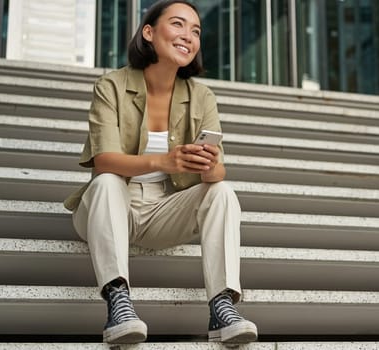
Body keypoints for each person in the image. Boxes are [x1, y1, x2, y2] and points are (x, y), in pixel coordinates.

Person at [63, 0, 257, 345]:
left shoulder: (202, 97)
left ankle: (222, 307)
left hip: (163, 211)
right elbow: (104, 159)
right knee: (108, 181)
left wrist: (208, 165)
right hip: (108, 205)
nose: (189, 36)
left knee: (223, 192)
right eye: (179, 25)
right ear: (149, 33)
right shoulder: (111, 85)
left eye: (196, 30)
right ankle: (119, 302)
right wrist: (164, 161)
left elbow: (219, 171)